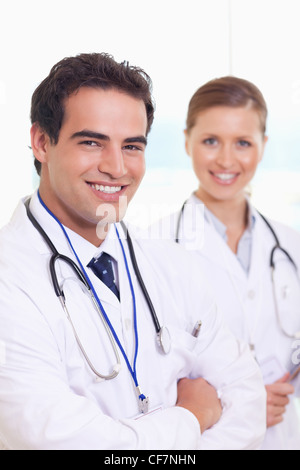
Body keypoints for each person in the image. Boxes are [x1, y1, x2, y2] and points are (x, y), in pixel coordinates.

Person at [0, 55, 266, 450]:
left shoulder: (173, 264)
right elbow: (59, 441)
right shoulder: (10, 278)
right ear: (42, 142)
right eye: (92, 142)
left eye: (132, 146)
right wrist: (192, 415)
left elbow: (246, 403)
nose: (116, 166)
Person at [152, 76, 300, 450]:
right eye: (210, 141)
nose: (226, 160)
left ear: (263, 147)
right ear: (187, 141)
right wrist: (245, 404)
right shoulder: (153, 246)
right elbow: (149, 374)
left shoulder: (291, 244)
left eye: (243, 143)